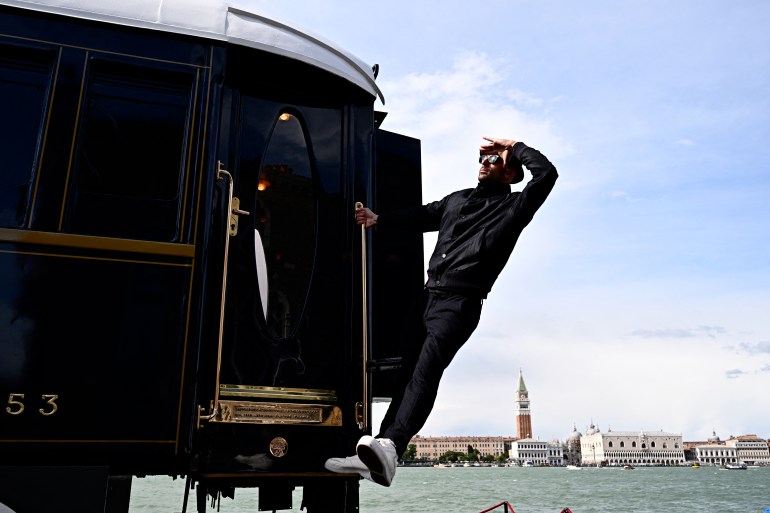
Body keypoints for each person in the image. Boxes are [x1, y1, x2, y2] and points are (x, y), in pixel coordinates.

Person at [325, 136, 558, 486]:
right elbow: (423, 215)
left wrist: (516, 146)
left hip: (460, 304)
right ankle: (378, 453)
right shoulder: (457, 199)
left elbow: (547, 174)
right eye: (485, 158)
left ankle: (390, 447)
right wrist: (378, 219)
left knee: (426, 370)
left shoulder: (513, 208)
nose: (485, 163)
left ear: (510, 174)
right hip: (427, 297)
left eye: (495, 161)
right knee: (403, 373)